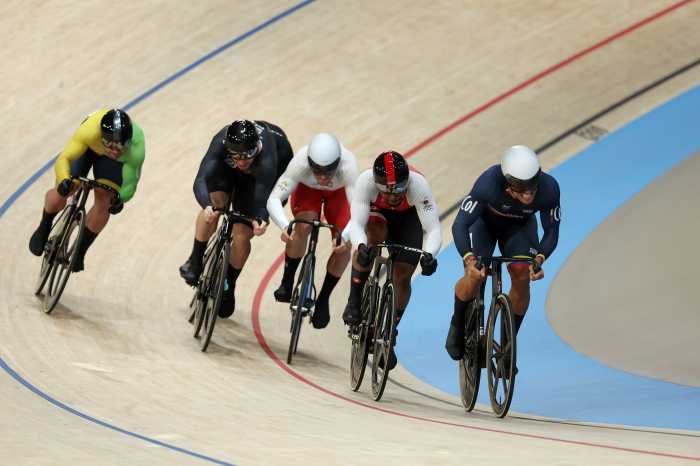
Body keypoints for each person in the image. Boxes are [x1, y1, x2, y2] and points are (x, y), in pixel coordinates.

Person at [445, 145, 561, 363]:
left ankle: (508, 344)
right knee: (475, 275)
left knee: (522, 276)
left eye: (532, 186)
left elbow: (552, 230)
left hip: (519, 228)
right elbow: (460, 224)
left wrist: (539, 259)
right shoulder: (488, 183)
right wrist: (469, 259)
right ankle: (457, 323)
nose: (529, 193)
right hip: (485, 225)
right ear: (507, 184)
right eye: (522, 188)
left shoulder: (549, 188)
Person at [179, 120, 293, 318]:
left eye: (246, 155)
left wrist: (261, 218)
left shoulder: (267, 155)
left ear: (256, 148)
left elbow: (263, 194)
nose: (240, 161)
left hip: (264, 182)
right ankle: (195, 259)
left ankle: (228, 285)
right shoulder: (221, 141)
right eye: (236, 156)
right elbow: (201, 180)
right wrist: (208, 205)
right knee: (215, 204)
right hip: (230, 174)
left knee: (241, 234)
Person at [342, 150, 441, 369]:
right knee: (371, 238)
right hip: (379, 215)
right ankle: (354, 301)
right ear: (377, 183)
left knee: (402, 276)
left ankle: (388, 332)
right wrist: (361, 246)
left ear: (407, 181)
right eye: (387, 189)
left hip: (408, 220)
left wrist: (430, 256)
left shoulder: (419, 186)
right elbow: (357, 224)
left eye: (398, 188)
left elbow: (432, 228)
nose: (393, 194)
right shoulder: (365, 182)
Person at [29, 108, 145, 272]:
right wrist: (64, 180)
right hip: (88, 148)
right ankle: (45, 224)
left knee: (105, 200)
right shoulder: (89, 130)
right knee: (68, 188)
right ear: (102, 136)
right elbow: (64, 159)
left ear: (129, 141)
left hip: (112, 163)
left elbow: (130, 184)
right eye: (111, 145)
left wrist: (121, 199)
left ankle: (80, 250)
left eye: (121, 147)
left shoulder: (136, 148)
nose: (115, 151)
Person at [266, 133, 358, 329]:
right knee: (303, 225)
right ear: (309, 163)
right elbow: (274, 199)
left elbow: (358, 212)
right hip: (308, 191)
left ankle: (323, 299)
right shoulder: (299, 162)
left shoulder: (348, 165)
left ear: (338, 163)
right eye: (317, 171)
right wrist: (285, 226)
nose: (323, 177)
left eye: (328, 172)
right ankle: (287, 280)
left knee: (344, 246)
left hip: (338, 195)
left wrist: (346, 236)